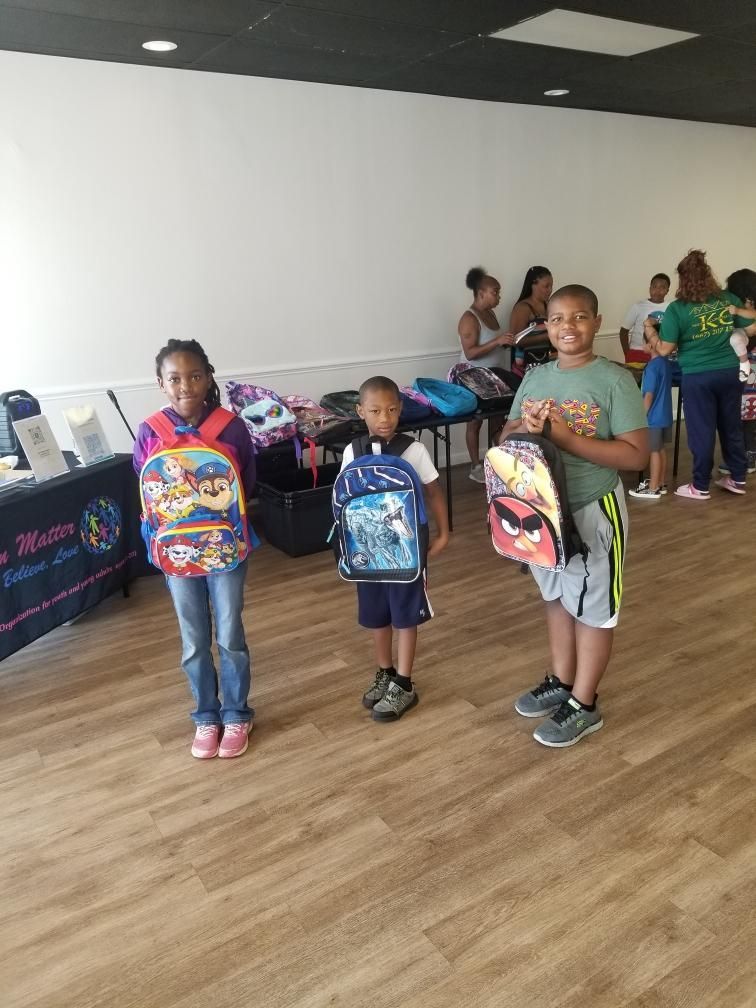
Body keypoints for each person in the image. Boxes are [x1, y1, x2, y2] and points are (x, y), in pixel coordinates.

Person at [500, 285, 648, 747]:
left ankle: (585, 704)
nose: (568, 326)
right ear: (546, 325)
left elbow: (635, 456)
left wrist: (565, 438)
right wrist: (527, 425)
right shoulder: (537, 376)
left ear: (597, 322)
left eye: (580, 317)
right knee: (558, 598)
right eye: (558, 318)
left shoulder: (614, 380)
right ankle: (562, 683)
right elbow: (506, 431)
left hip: (593, 509)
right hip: (543, 511)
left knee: (594, 611)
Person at [133, 338, 256, 760]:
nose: (185, 386)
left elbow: (247, 484)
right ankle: (206, 715)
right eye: (175, 378)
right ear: (161, 383)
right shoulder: (150, 430)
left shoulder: (232, 426)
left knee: (229, 634)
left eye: (195, 376)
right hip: (177, 553)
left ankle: (237, 712)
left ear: (208, 378)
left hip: (226, 549)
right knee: (193, 640)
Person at [340, 376, 450, 721]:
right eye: (375, 410)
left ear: (401, 409)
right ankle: (384, 671)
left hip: (407, 552)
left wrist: (444, 532)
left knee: (404, 614)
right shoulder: (352, 450)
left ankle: (404, 683)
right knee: (376, 615)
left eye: (391, 409)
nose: (384, 417)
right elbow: (345, 500)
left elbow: (433, 492)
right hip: (367, 553)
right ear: (361, 412)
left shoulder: (413, 450)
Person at [657, 250, 752, 499]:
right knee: (731, 425)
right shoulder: (727, 299)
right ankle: (738, 478)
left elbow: (665, 349)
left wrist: (650, 333)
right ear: (708, 274)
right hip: (730, 372)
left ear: (682, 280)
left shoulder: (677, 309)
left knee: (702, 429)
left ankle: (700, 486)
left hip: (698, 376)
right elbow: (751, 328)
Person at [457, 266, 514, 482]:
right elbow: (470, 353)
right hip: (474, 379)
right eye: (495, 291)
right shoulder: (469, 318)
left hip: (495, 378)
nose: (499, 296)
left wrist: (505, 344)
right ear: (481, 292)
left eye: (499, 292)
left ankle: (496, 461)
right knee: (475, 422)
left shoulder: (490, 314)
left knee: (497, 419)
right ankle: (475, 466)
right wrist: (497, 341)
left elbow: (491, 346)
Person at [628, 318, 674, 499]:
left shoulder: (652, 368)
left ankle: (653, 487)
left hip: (653, 418)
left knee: (653, 451)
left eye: (644, 340)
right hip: (665, 416)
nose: (642, 344)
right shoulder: (665, 364)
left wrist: (641, 417)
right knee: (661, 449)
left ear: (653, 344)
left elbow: (648, 395)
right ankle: (660, 482)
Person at [720, 269, 756, 477]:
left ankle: (747, 456)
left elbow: (750, 331)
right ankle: (743, 455)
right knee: (744, 411)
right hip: (745, 362)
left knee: (746, 411)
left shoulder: (746, 307)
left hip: (749, 363)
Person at [509, 266, 554, 374]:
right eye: (546, 286)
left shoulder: (549, 305)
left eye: (551, 286)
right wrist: (547, 336)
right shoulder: (523, 308)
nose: (550, 290)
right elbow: (515, 340)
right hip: (527, 368)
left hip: (548, 363)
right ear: (533, 284)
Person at [619, 273, 671, 363]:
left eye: (662, 287)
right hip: (638, 352)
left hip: (660, 353)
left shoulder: (671, 308)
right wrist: (627, 354)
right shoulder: (638, 306)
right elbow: (623, 331)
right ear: (650, 288)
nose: (657, 290)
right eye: (654, 286)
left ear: (667, 290)